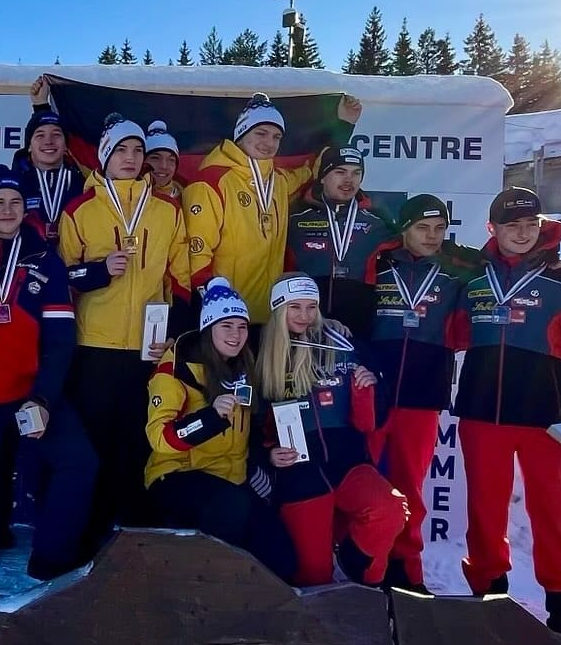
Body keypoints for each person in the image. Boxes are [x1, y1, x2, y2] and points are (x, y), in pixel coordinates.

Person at [453, 187, 561, 638]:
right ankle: (488, 599)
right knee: (483, 514)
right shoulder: (474, 278)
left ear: (541, 225)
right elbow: (453, 331)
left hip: (546, 421)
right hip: (483, 416)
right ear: (493, 229)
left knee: (553, 517)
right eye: (511, 225)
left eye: (529, 224)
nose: (522, 234)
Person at [0, 164, 96, 589]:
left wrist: (44, 398)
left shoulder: (44, 259)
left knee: (80, 463)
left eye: (15, 202)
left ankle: (49, 563)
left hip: (29, 396)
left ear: (25, 209)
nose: (7, 209)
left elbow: (60, 339)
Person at [59, 113, 192, 541]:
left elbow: (181, 279)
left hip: (146, 349)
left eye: (138, 150)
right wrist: (97, 272)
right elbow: (60, 281)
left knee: (138, 440)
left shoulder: (168, 210)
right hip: (95, 346)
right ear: (104, 157)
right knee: (95, 444)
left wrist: (174, 335)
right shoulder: (80, 209)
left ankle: (132, 532)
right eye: (122, 150)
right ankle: (92, 530)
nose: (132, 158)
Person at [256, 272, 408, 587]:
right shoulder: (259, 353)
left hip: (348, 463)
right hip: (299, 475)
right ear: (278, 309)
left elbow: (370, 423)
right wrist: (268, 455)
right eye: (294, 307)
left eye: (311, 307)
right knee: (313, 576)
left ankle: (360, 579)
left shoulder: (343, 344)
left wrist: (368, 390)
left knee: (390, 509)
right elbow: (250, 429)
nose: (304, 316)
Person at [145, 277, 297, 580]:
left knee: (281, 551)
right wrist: (209, 418)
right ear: (208, 328)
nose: (236, 334)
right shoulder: (177, 369)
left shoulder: (245, 366)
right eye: (226, 326)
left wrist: (266, 457)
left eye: (241, 326)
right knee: (231, 508)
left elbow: (252, 429)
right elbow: (160, 437)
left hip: (231, 478)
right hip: (176, 474)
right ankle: (213, 592)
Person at [183, 92, 361, 328]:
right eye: (261, 133)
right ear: (241, 133)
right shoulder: (212, 181)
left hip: (270, 315)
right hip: (227, 317)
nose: (269, 143)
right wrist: (214, 302)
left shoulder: (278, 182)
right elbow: (197, 252)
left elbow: (317, 166)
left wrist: (344, 125)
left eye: (277, 137)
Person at [367, 194, 464, 591]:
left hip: (423, 395)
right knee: (366, 479)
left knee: (409, 485)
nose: (432, 237)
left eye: (439, 229)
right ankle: (366, 563)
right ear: (404, 229)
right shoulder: (378, 264)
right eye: (422, 228)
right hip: (373, 392)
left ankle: (406, 568)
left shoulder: (455, 274)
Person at [285, 146, 394, 338]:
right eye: (340, 172)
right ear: (323, 176)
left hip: (356, 328)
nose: (348, 180)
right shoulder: (294, 216)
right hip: (304, 322)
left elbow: (416, 243)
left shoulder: (377, 219)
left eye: (356, 173)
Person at [12, 76, 85, 244]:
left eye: (56, 135)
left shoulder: (82, 183)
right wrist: (40, 105)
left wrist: (41, 106)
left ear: (66, 146)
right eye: (40, 135)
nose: (48, 141)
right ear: (29, 146)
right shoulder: (16, 184)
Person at [144, 120, 182, 198]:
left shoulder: (186, 197)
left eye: (171, 160)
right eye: (155, 158)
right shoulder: (130, 196)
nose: (164, 166)